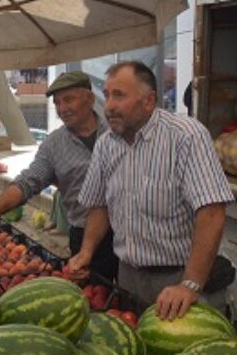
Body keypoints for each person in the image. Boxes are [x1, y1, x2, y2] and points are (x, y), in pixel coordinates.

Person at [69, 61, 234, 320]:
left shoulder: (186, 136)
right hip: (128, 277)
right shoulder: (106, 145)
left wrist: (190, 284)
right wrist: (86, 252)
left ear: (149, 101)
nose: (109, 105)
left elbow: (211, 211)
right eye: (107, 95)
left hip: (183, 278)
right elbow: (99, 205)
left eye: (119, 95)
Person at [0, 71, 118, 281]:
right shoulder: (53, 145)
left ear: (90, 99)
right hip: (86, 236)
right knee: (95, 297)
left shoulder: (117, 131)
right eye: (57, 103)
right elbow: (28, 181)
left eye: (68, 100)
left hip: (129, 234)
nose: (62, 109)